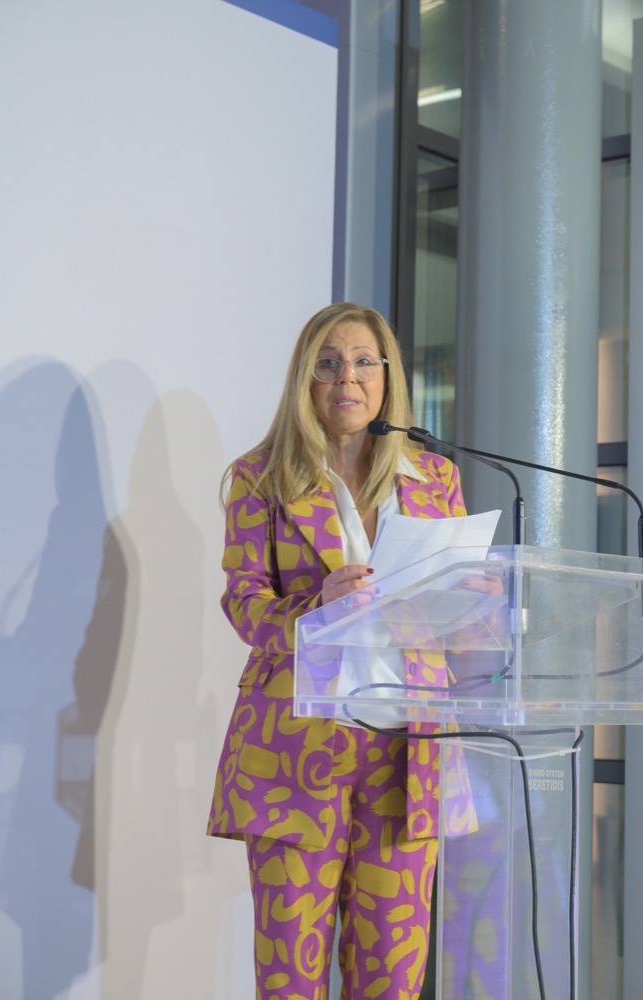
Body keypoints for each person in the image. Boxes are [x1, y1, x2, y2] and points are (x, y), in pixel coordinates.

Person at [207, 302, 478, 1000]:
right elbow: (243, 602)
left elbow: (455, 620)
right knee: (291, 977)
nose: (346, 378)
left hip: (408, 753)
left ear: (387, 378)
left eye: (362, 362)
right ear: (305, 377)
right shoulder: (260, 477)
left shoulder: (436, 479)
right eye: (327, 363)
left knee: (392, 975)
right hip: (296, 750)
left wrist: (477, 599)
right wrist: (316, 607)